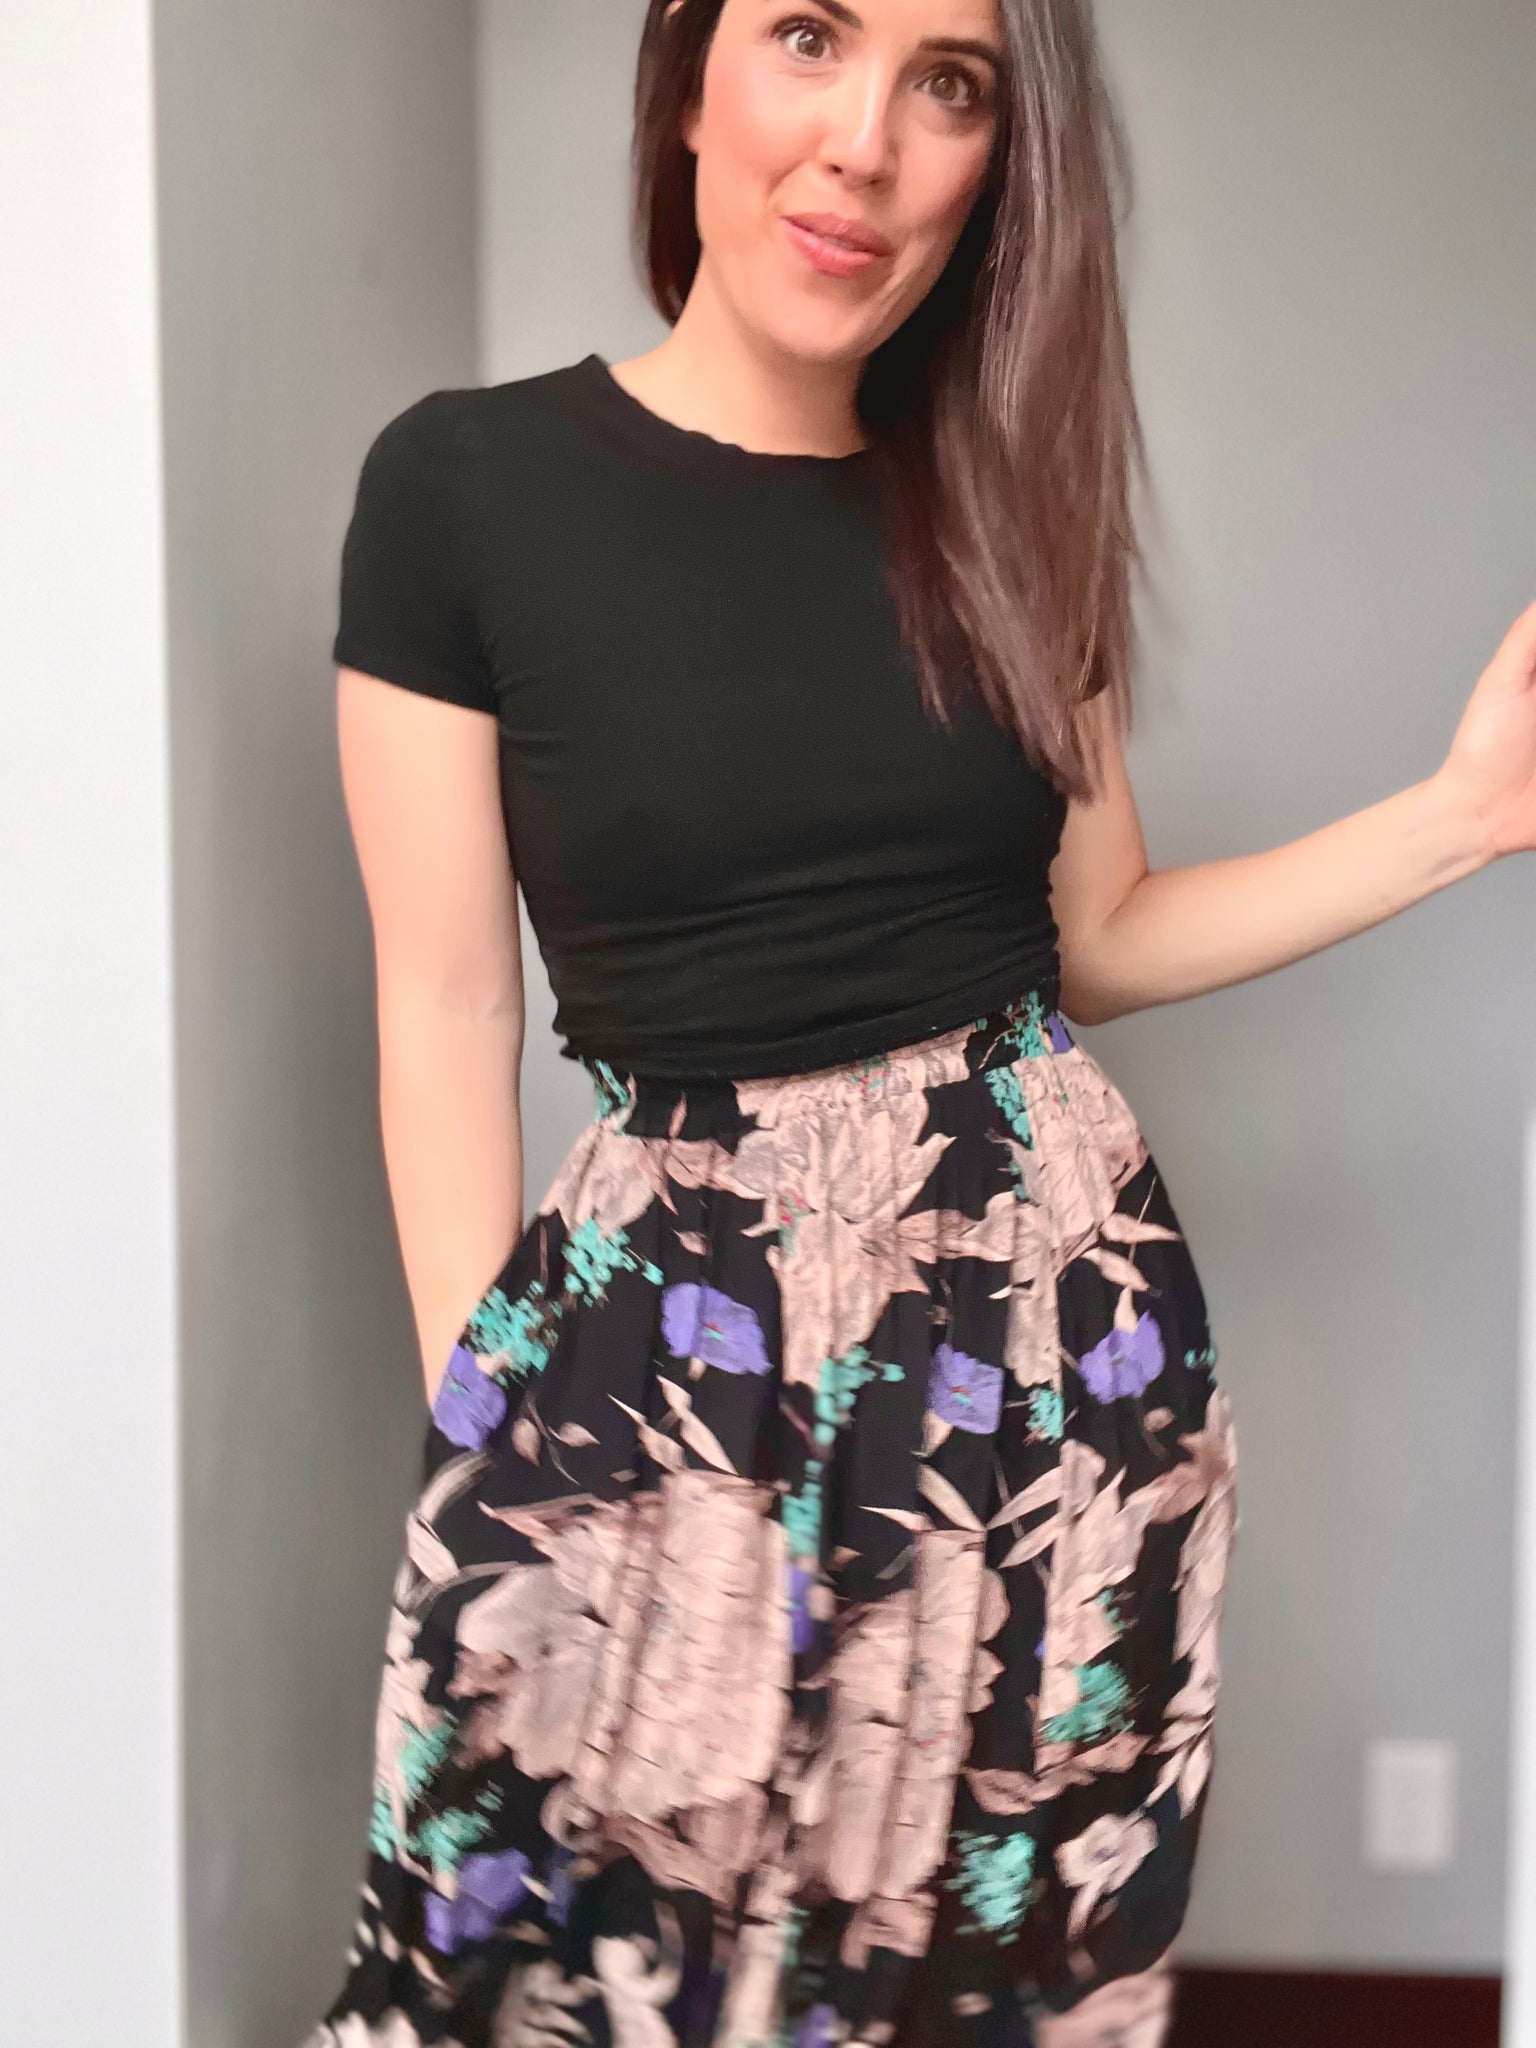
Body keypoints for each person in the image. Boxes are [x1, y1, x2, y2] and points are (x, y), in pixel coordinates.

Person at [302, 2, 1535, 2044]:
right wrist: (484, 1426)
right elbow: (440, 1005)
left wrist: (1461, 819)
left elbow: (1099, 933)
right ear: (688, 68)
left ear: (995, 156)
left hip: (1042, 1353)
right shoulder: (464, 486)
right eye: (808, 34)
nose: (866, 139)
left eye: (948, 81)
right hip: (666, 1357)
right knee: (565, 1970)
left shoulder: (1011, 513)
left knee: (962, 1982)